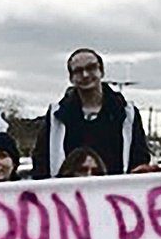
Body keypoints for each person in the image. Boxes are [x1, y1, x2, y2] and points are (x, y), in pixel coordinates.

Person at [31, 48, 149, 179]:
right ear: (71, 78)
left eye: (91, 68)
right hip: (68, 196)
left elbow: (140, 159)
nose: (85, 75)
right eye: (78, 71)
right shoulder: (56, 117)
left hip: (115, 195)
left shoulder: (127, 114)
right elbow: (41, 161)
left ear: (101, 71)